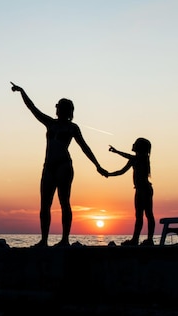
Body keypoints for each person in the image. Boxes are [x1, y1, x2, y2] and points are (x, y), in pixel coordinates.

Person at [11, 82, 108, 247]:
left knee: (64, 202)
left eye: (60, 107)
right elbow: (32, 108)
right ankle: (44, 240)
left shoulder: (72, 128)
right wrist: (22, 92)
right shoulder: (50, 123)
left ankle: (64, 240)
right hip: (48, 167)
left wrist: (97, 166)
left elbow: (85, 147)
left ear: (66, 110)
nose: (57, 110)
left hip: (64, 166)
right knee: (45, 205)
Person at [107, 138, 155, 246]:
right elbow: (121, 171)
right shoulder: (134, 159)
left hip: (145, 189)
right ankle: (135, 239)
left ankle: (150, 239)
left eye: (136, 143)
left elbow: (130, 156)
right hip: (139, 190)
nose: (133, 144)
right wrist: (109, 174)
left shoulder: (143, 157)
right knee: (139, 216)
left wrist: (117, 151)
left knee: (148, 214)